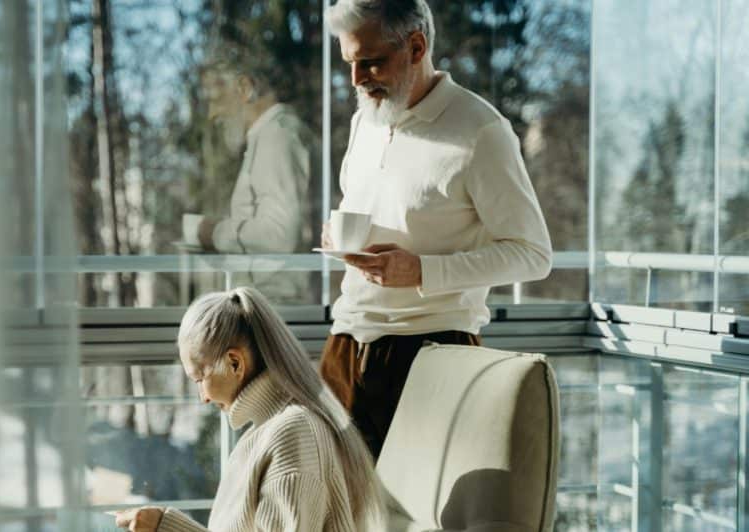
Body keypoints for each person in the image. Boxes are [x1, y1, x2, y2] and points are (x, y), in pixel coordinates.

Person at [320, 0, 553, 460]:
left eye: (370, 62)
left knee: (416, 524)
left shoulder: (481, 131)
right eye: (350, 63)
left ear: (416, 46)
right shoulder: (366, 120)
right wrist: (338, 237)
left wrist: (422, 271)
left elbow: (533, 253)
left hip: (430, 354)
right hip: (344, 345)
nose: (356, 79)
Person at [114, 287, 386, 532]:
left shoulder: (292, 437)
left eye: (199, 379)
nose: (202, 398)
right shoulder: (271, 434)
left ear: (234, 363)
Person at [194, 48, 318, 302]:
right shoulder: (268, 137)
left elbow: (278, 234)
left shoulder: (277, 137)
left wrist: (215, 232)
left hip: (277, 309)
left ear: (244, 88)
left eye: (216, 99)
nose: (212, 114)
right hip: (269, 306)